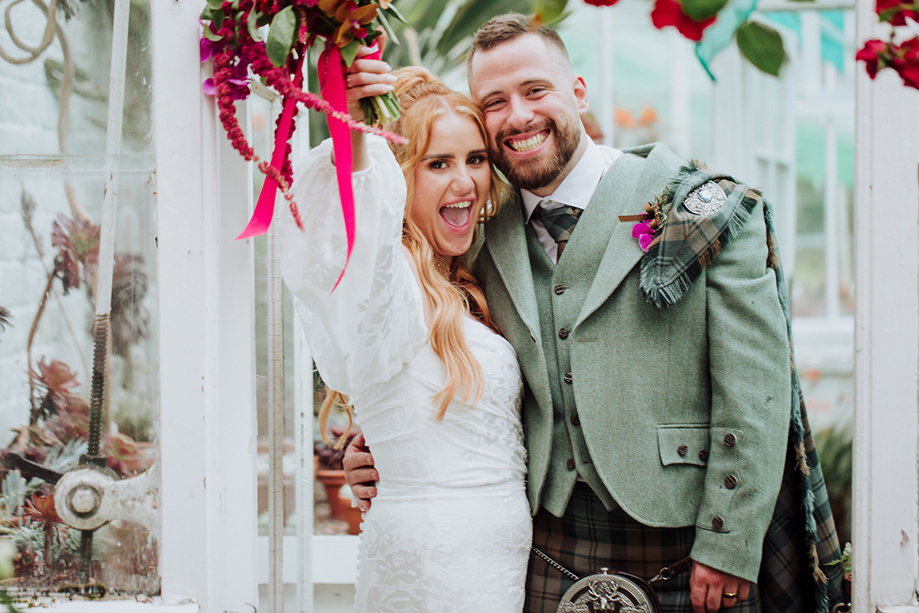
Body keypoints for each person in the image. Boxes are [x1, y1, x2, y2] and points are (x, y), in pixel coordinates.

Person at [345, 13, 844, 613]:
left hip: (689, 540)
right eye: (495, 102)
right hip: (541, 546)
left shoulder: (697, 209)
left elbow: (754, 389)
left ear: (577, 92)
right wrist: (375, 446)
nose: (519, 116)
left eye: (535, 90)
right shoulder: (478, 233)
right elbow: (420, 344)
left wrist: (730, 541)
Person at [279, 60, 532, 612]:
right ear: (400, 176)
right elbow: (354, 221)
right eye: (438, 163)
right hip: (434, 563)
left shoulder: (467, 278)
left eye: (476, 160)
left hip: (501, 563)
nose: (464, 182)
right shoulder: (386, 278)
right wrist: (353, 134)